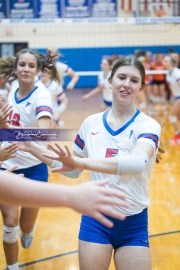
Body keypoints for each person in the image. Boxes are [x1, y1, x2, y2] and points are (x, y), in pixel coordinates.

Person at [42, 56, 162, 270]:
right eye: (121, 77)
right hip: (95, 219)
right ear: (110, 80)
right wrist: (31, 148)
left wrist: (81, 163)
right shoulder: (91, 123)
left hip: (134, 224)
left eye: (134, 80)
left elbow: (137, 163)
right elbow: (72, 170)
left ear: (141, 87)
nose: (126, 84)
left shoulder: (148, 125)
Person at [0, 48, 60, 270]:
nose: (26, 69)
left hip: (34, 167)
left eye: (31, 66)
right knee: (9, 224)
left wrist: (6, 126)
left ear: (37, 70)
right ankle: (12, 267)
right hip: (7, 163)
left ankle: (29, 230)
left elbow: (42, 135)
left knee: (25, 227)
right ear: (16, 68)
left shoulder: (42, 96)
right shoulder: (14, 86)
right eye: (22, 65)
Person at [163, 55, 180, 144]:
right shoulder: (168, 73)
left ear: (172, 63)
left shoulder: (177, 73)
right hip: (176, 97)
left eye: (166, 61)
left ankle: (178, 135)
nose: (164, 63)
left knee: (171, 115)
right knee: (177, 117)